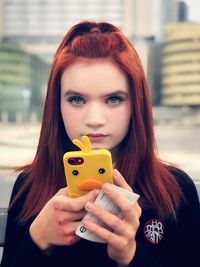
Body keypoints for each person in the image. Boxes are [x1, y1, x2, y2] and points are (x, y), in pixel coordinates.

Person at [1, 20, 200, 267]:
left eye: (114, 99)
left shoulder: (175, 191)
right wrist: (37, 240)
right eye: (76, 99)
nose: (95, 120)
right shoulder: (28, 187)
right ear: (56, 105)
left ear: (136, 105)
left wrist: (130, 255)